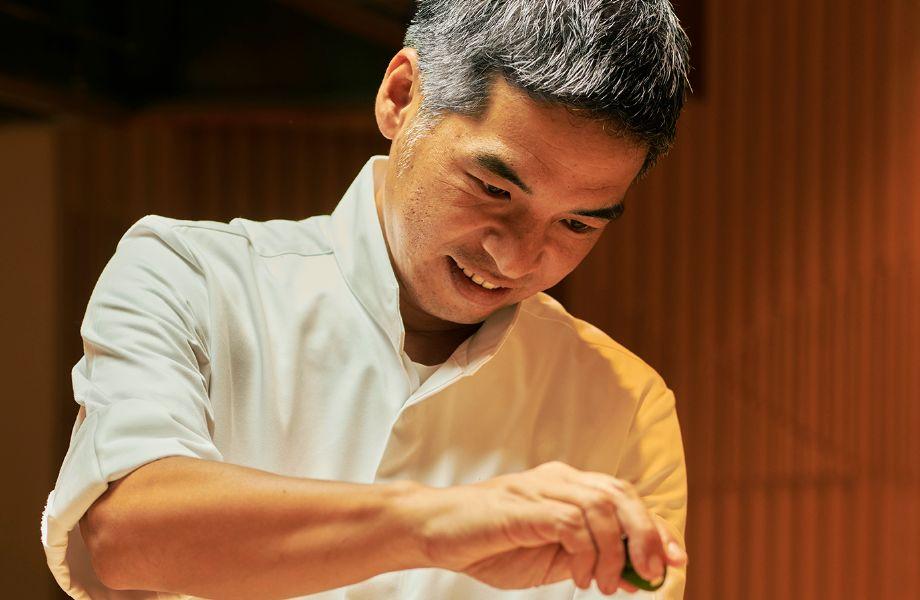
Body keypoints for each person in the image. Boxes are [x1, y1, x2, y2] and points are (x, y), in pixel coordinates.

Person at [41, 1, 692, 598]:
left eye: (576, 224)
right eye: (494, 190)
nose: (516, 259)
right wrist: (437, 524)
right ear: (401, 96)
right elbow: (128, 534)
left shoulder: (626, 408)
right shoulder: (192, 277)